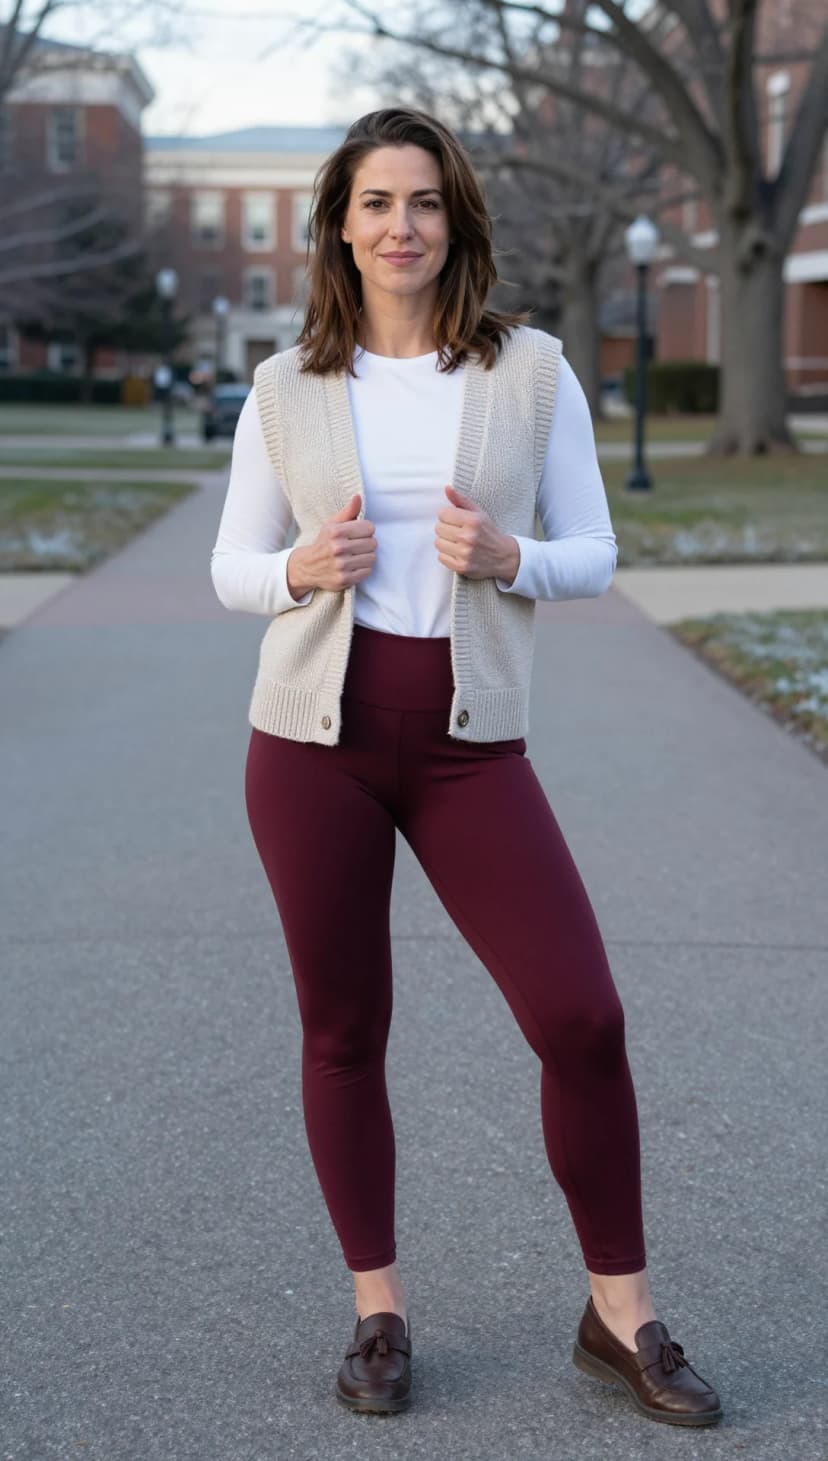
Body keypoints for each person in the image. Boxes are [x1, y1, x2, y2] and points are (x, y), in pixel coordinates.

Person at [209, 107, 722, 1428]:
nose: (401, 225)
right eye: (377, 202)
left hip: (468, 743)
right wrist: (293, 572)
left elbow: (594, 551)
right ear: (341, 222)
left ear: (457, 219)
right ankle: (377, 1313)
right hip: (310, 743)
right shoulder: (285, 386)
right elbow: (230, 567)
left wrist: (510, 559)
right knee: (344, 1026)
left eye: (424, 202)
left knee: (581, 1014)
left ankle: (623, 1316)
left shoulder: (531, 371)